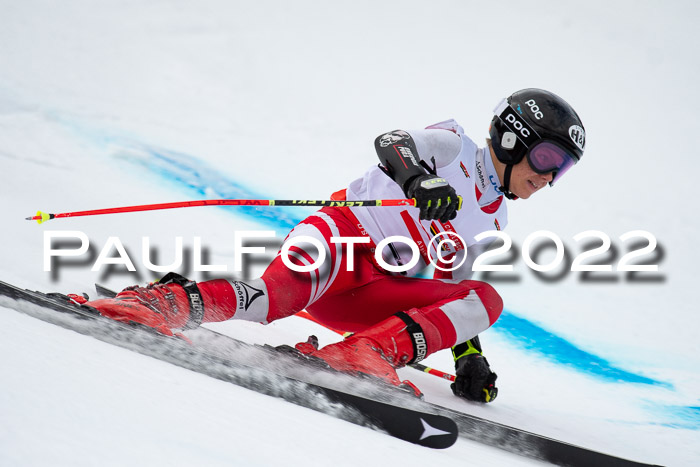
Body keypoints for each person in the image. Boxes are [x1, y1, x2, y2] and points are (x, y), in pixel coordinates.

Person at [84, 88, 586, 402]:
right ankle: (157, 302)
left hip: (374, 294)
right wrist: (417, 181)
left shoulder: (495, 215)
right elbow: (392, 142)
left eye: (560, 168)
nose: (547, 176)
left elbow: (451, 286)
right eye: (545, 156)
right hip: (341, 241)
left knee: (484, 298)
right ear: (509, 138)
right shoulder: (455, 146)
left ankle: (364, 353)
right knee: (272, 301)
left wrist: (466, 357)